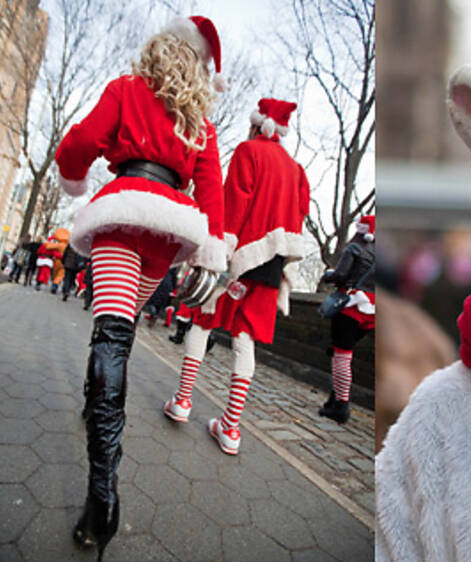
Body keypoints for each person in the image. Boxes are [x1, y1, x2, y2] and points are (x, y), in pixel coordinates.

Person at [54, 16, 226, 558]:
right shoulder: (199, 117)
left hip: (125, 210)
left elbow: (81, 140)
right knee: (121, 331)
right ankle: (94, 410)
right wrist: (212, 249)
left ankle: (102, 496)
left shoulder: (129, 88)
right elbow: (212, 186)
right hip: (169, 228)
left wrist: (74, 174)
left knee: (110, 331)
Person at [163, 98, 310, 455]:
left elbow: (235, 203)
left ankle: (182, 402)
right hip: (271, 264)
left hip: (238, 257)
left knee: (203, 321)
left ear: (257, 125)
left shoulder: (248, 150)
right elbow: (300, 214)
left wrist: (220, 248)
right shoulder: (295, 169)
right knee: (246, 340)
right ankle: (230, 429)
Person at [318, 216, 376, 423]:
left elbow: (341, 275)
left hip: (351, 305)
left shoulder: (355, 248)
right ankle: (334, 399)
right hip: (373, 310)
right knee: (341, 354)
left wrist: (328, 274)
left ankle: (341, 405)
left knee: (342, 356)